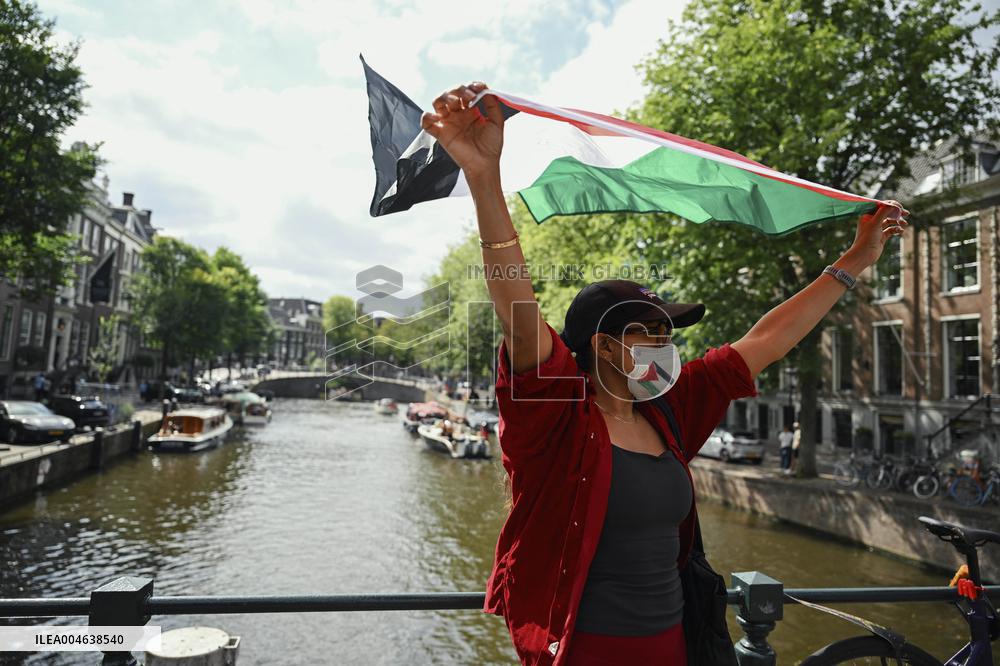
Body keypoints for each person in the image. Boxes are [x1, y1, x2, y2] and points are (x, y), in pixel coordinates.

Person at [420, 81, 908, 665]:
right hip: (587, 652)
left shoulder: (670, 409)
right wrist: (483, 177)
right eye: (648, 332)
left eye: (667, 332)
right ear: (603, 346)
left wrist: (856, 259)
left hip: (676, 647)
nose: (664, 344)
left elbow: (768, 340)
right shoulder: (553, 417)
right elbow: (519, 312)